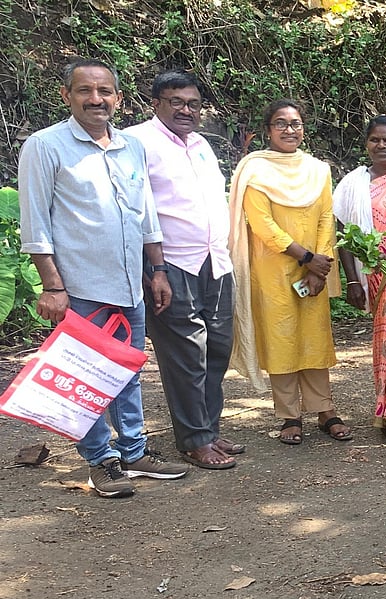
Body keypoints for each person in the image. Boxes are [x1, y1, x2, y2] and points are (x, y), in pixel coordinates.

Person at [18, 58, 189, 498]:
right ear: (66, 96)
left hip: (131, 283)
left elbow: (145, 215)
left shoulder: (131, 146)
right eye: (85, 91)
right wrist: (53, 286)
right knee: (86, 377)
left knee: (126, 372)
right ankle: (101, 460)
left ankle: (134, 451)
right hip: (79, 289)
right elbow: (35, 223)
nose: (96, 99)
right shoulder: (45, 146)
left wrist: (158, 271)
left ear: (118, 97)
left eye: (104, 91)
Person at [126, 69, 242, 470]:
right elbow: (139, 208)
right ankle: (194, 440)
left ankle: (207, 428)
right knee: (186, 353)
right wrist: (154, 268)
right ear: (155, 103)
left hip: (214, 261)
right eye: (176, 102)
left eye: (192, 103)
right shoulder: (137, 142)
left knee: (217, 349)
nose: (185, 110)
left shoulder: (202, 146)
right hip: (170, 263)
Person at [228, 99, 351, 445]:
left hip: (315, 269)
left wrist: (321, 264)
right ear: (267, 130)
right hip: (273, 269)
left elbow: (327, 217)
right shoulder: (255, 170)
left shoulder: (317, 169)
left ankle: (325, 410)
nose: (289, 130)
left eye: (295, 123)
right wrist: (305, 257)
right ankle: (289, 416)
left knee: (315, 338)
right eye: (280, 123)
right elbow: (262, 224)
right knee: (281, 338)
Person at [332, 115, 386, 435]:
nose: (382, 145)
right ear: (366, 143)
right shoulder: (354, 183)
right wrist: (353, 280)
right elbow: (342, 233)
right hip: (377, 275)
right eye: (375, 140)